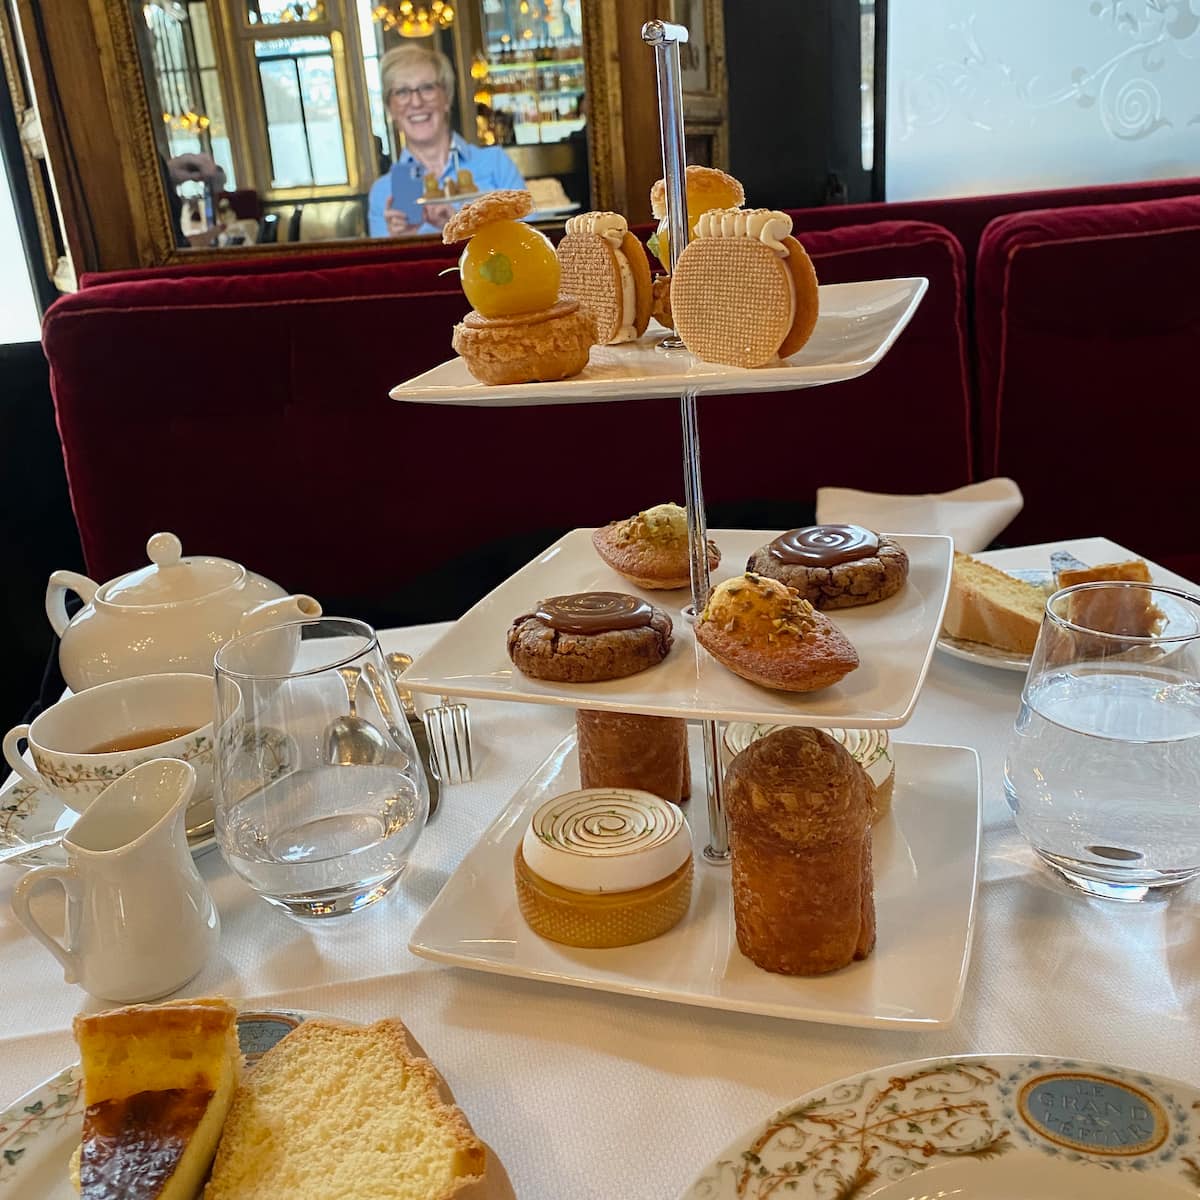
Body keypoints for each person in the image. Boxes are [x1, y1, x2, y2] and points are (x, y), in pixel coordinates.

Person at [367, 45, 525, 239]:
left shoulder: (495, 164)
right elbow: (383, 268)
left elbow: (530, 244)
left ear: (447, 98)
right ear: (390, 108)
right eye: (401, 92)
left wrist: (464, 229)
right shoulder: (384, 191)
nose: (416, 102)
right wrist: (398, 242)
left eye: (427, 88)